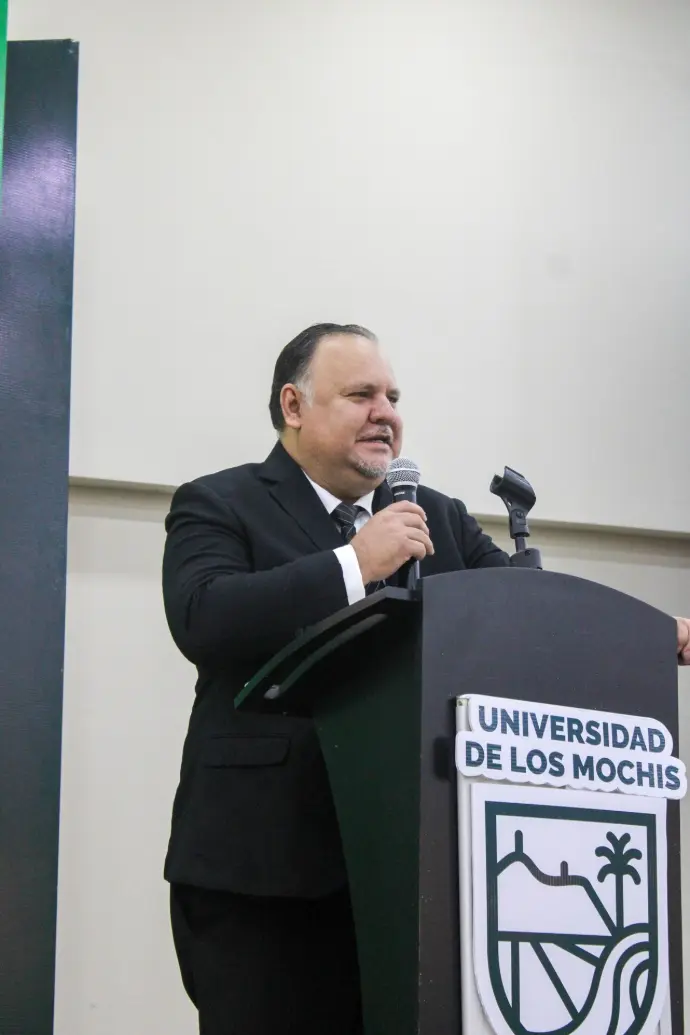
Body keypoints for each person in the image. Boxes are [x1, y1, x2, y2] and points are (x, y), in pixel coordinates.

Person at [162, 323, 690, 1035]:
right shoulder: (220, 502)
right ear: (293, 405)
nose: (386, 413)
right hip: (263, 873)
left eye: (393, 397)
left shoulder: (436, 514)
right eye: (361, 395)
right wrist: (355, 564)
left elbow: (528, 614)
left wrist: (642, 636)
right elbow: (203, 616)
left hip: (418, 868)